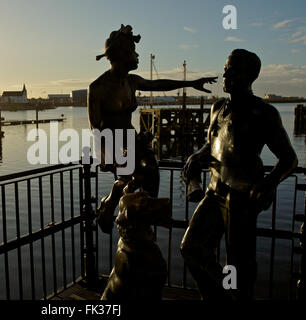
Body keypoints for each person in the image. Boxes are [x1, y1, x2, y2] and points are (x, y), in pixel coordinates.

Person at [180, 49, 298, 300]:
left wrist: (269, 182)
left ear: (248, 75)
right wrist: (197, 155)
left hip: (241, 197)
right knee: (190, 248)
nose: (225, 73)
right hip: (213, 191)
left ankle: (237, 294)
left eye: (231, 69)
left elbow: (289, 159)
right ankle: (219, 295)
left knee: (238, 262)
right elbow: (210, 144)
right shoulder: (217, 107)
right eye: (225, 68)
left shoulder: (263, 113)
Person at [88, 24, 217, 233]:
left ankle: (146, 221)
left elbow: (159, 84)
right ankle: (114, 205)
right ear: (121, 54)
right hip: (114, 144)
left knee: (151, 170)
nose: (137, 55)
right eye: (133, 51)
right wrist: (104, 155)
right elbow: (95, 127)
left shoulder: (132, 81)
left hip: (133, 140)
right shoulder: (98, 88)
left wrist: (191, 82)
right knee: (127, 182)